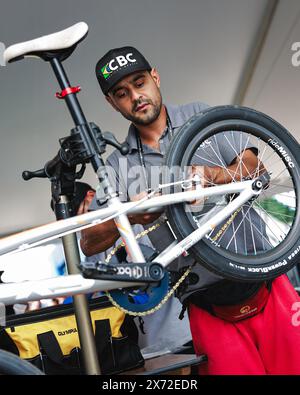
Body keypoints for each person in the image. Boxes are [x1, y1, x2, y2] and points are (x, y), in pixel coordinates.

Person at [79, 46, 300, 374]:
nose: (136, 96)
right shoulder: (116, 164)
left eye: (140, 83)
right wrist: (131, 214)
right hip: (207, 305)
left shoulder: (201, 117)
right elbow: (89, 241)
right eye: (122, 93)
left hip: (267, 283)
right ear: (112, 103)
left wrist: (211, 175)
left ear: (155, 77)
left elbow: (256, 168)